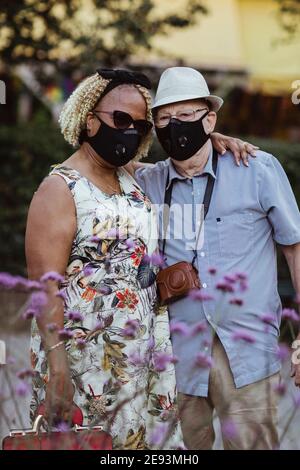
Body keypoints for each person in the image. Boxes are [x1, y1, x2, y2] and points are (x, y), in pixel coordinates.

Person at [25, 67, 257, 450]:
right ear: (88, 119)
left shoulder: (131, 177)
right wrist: (57, 369)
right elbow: (43, 288)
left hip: (146, 356)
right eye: (120, 120)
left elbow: (184, 162)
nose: (130, 131)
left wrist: (211, 138)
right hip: (87, 364)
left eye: (140, 125)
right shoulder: (60, 188)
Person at [135, 66, 300, 450]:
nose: (175, 127)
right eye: (164, 119)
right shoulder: (148, 182)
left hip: (245, 350)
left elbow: (294, 246)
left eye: (187, 116)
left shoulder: (257, 169)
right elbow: (99, 163)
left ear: (210, 118)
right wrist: (208, 135)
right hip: (176, 355)